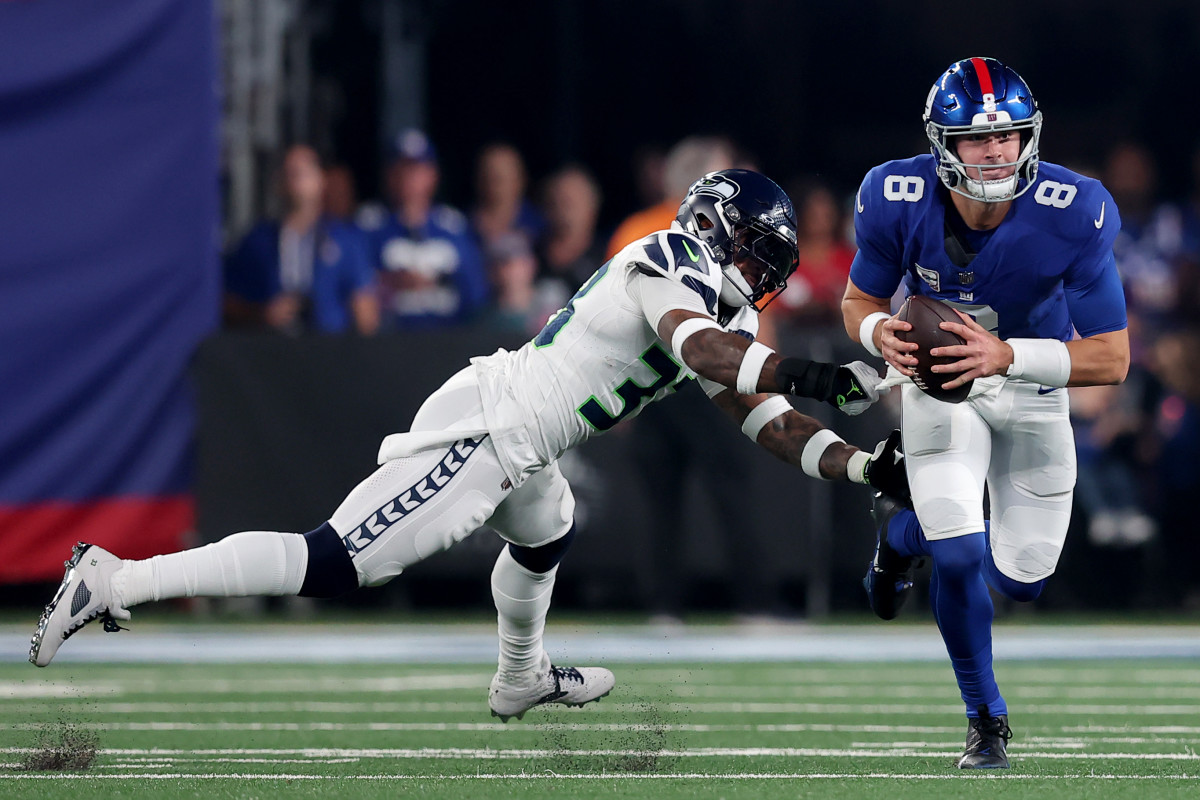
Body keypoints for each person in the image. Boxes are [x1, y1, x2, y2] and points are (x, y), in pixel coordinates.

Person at [31, 169, 908, 725]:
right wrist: (822, 373)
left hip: (529, 446)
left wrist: (866, 463)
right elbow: (703, 351)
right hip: (492, 430)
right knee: (335, 562)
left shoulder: (720, 309)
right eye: (758, 255)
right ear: (717, 227)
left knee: (549, 527)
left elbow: (766, 419)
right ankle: (115, 577)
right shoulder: (667, 256)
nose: (762, 277)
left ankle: (518, 679)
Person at [841, 57, 1129, 770]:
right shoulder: (895, 193)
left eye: (1007, 137)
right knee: (962, 552)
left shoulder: (1076, 208)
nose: (996, 151)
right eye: (975, 138)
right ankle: (986, 719)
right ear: (943, 144)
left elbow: (1113, 357)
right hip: (942, 388)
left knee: (1023, 579)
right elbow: (859, 302)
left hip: (1029, 386)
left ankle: (900, 533)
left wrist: (1009, 357)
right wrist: (884, 337)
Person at [223, 144, 379, 335]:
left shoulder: (345, 240)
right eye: (289, 172)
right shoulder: (258, 240)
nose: (296, 180)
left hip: (330, 351)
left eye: (303, 172)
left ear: (321, 179)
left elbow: (364, 309)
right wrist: (262, 314)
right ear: (278, 181)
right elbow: (228, 302)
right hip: (272, 352)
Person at [359, 129, 489, 330]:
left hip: (449, 338)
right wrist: (393, 281)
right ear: (389, 174)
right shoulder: (371, 226)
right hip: (391, 340)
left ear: (433, 175)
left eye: (417, 169)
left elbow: (475, 291)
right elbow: (357, 283)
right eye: (401, 168)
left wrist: (437, 281)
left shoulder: (453, 226)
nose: (408, 178)